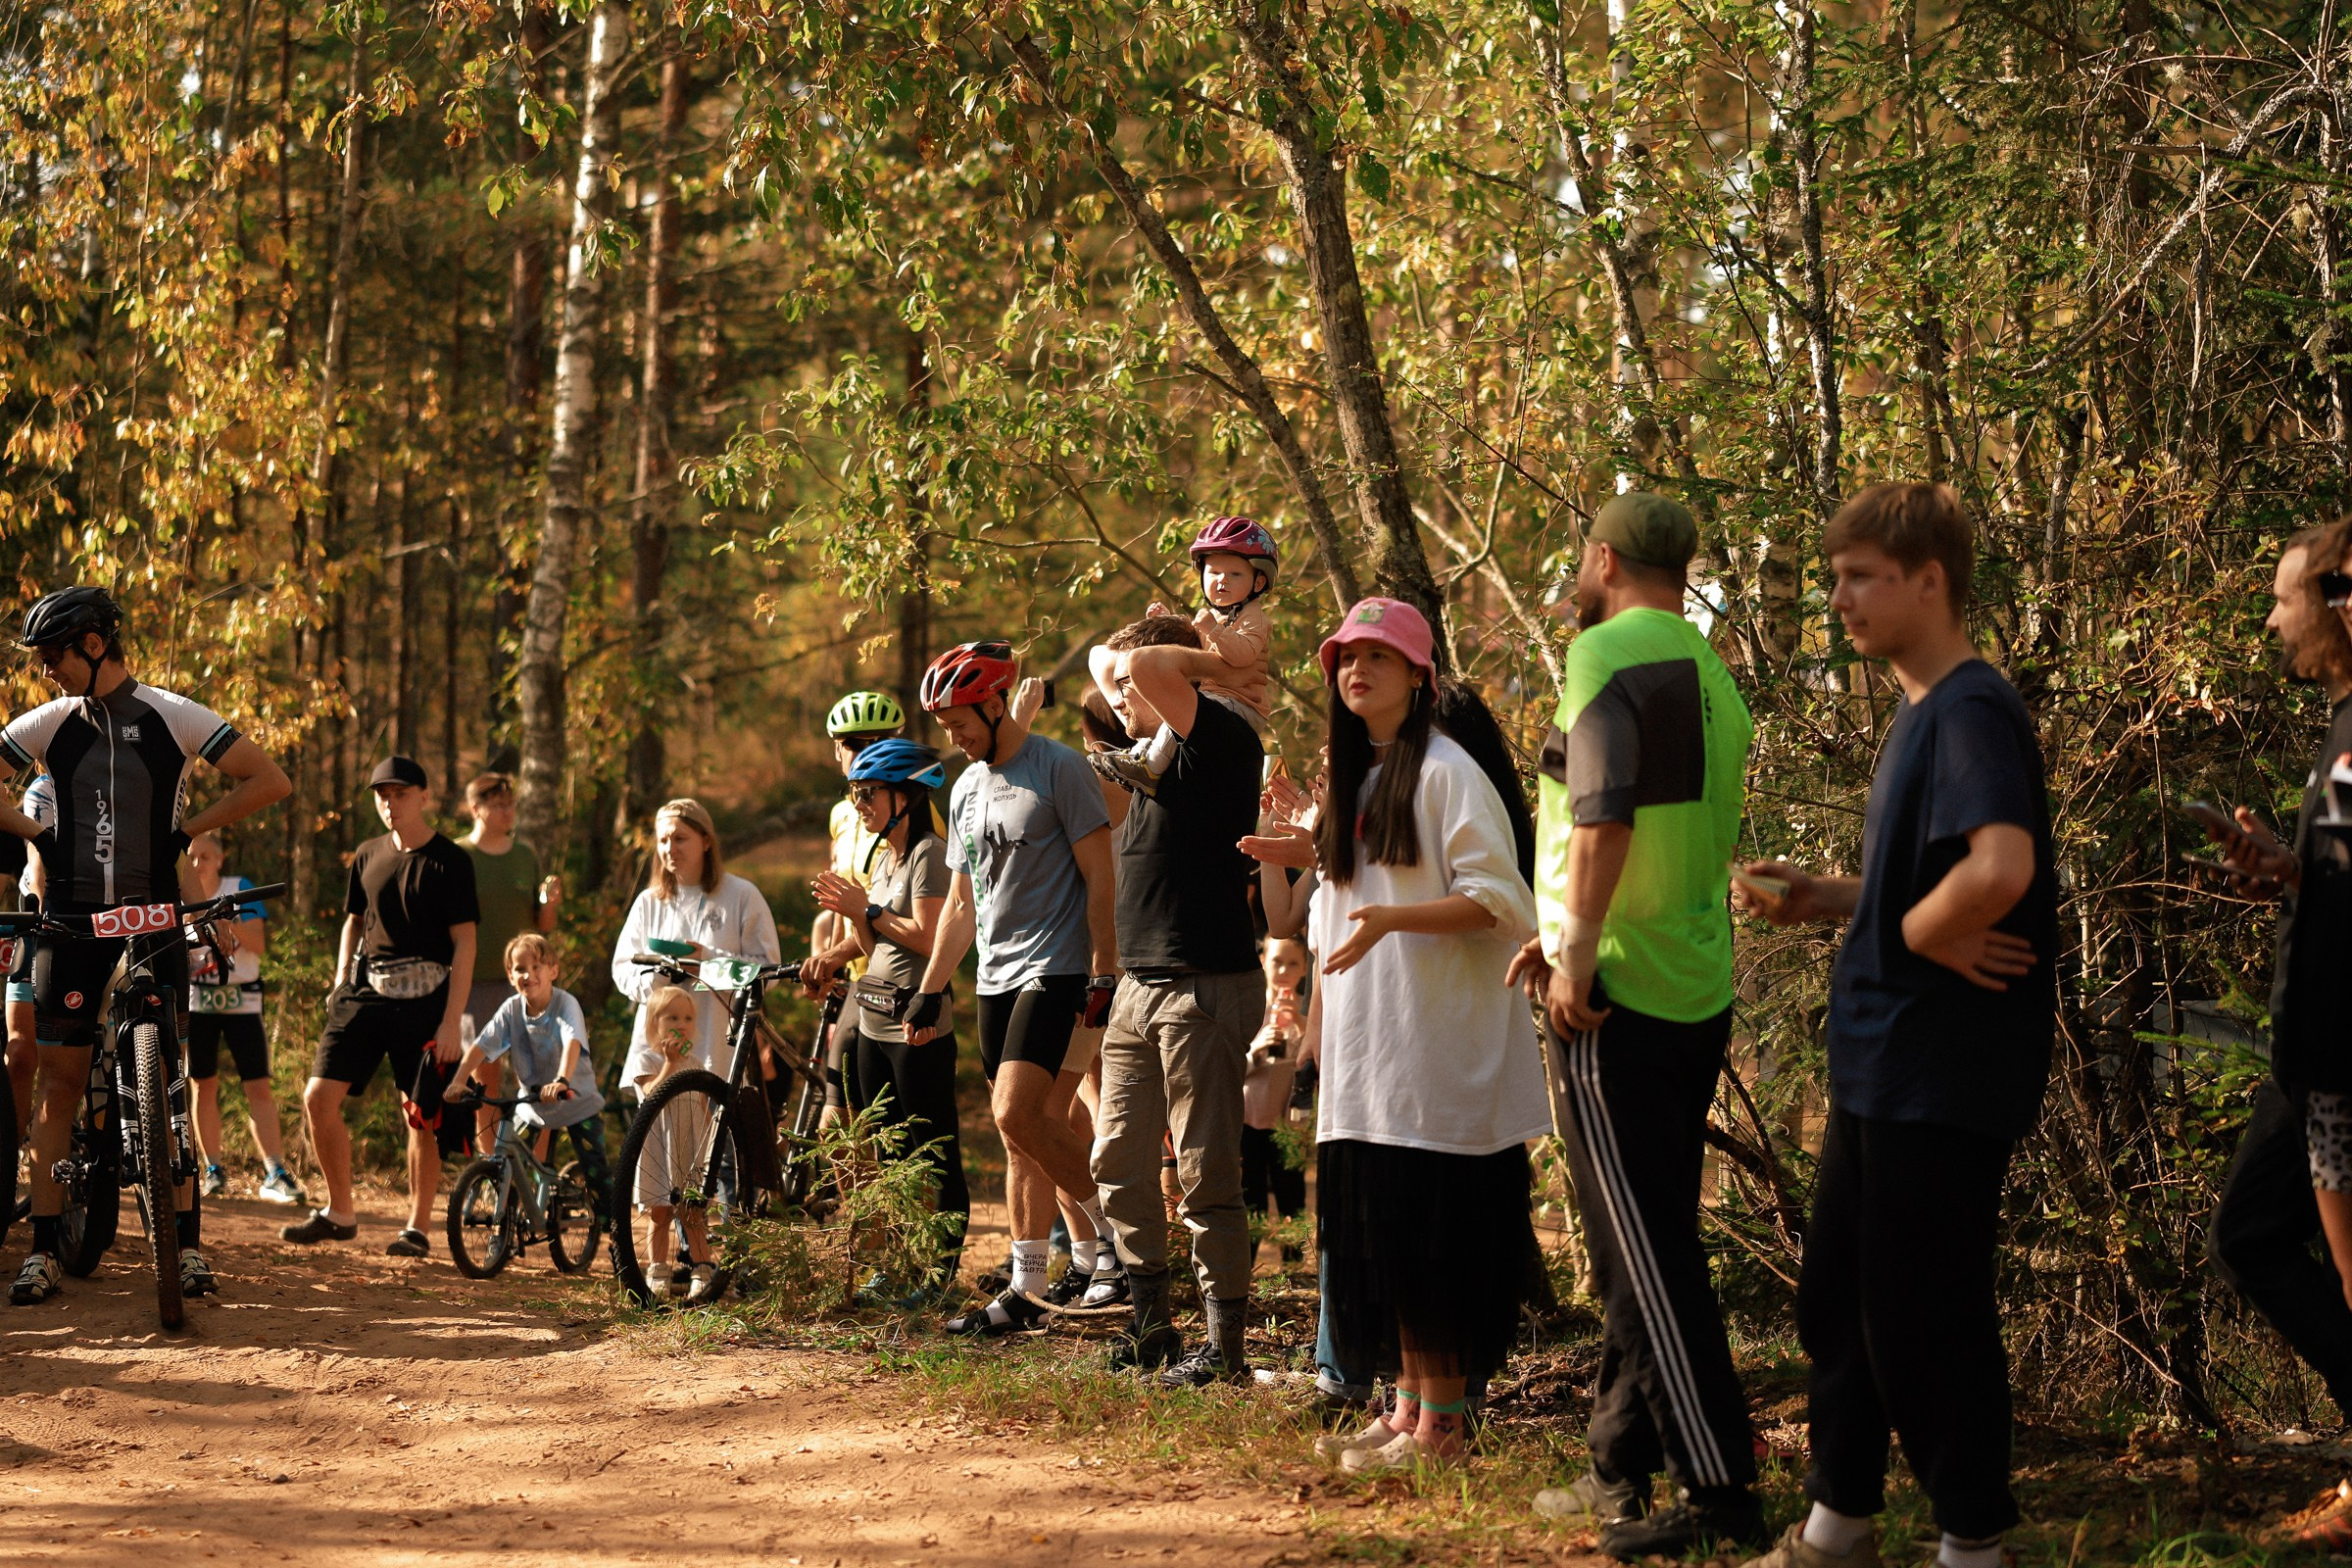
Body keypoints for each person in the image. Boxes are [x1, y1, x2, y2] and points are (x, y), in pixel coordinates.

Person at [1736, 482, 2057, 1568]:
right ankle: (1839, 1525)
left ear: (1932, 582)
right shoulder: (1921, 711)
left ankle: (1976, 1540)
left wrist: (1919, 931)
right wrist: (1828, 896)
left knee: (1924, 1311)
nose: (1840, 599)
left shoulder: (1969, 707)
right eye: (1835, 577)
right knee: (1841, 1293)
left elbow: (1999, 865)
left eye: (1862, 576)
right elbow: (1922, 879)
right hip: (1886, 1068)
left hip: (1943, 1069)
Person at [1497, 493, 1765, 1554]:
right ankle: (1619, 1460)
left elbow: (1603, 816)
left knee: (1643, 1249)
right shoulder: (1712, 672)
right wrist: (1559, 922)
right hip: (1693, 977)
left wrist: (1574, 950)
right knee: (1642, 1235)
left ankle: (1722, 1491)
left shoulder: (1605, 652)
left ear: (1601, 559)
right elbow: (1629, 823)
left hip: (1617, 987)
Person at [1267, 598, 1543, 1472]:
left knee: (1434, 1247)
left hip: (1436, 1061)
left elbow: (1504, 903)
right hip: (1369, 1067)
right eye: (1345, 656)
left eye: (1379, 657)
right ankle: (1411, 1411)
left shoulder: (1449, 771)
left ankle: (1444, 1431)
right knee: (1388, 1243)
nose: (1357, 669)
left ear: (1420, 677)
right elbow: (1337, 918)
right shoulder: (1366, 777)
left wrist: (1393, 921)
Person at [3, 586, 291, 1307]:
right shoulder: (49, 724)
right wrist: (37, 835)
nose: (48, 673)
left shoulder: (173, 714)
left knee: (168, 1080)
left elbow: (270, 778)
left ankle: (187, 1246)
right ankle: (42, 1251)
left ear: (94, 645)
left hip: (158, 914)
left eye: (54, 658)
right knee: (60, 1081)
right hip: (71, 920)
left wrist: (190, 830)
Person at [2194, 515, 2352, 1547]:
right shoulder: (2341, 730)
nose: (2271, 616)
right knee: (2262, 1237)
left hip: (2342, 1055)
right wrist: (2289, 871)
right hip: (2318, 1048)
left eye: (2284, 597)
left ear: (2339, 605)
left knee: (2267, 1237)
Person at [905, 640, 1124, 1333]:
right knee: (1022, 1137)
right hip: (994, 977)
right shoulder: (965, 790)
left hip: (1055, 967)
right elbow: (964, 907)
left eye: (961, 719)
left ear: (998, 704)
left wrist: (1105, 969)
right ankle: (1028, 1289)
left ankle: (1113, 1248)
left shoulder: (1058, 768)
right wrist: (932, 987)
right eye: (944, 724)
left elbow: (1100, 878)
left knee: (1013, 1113)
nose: (954, 734)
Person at [1090, 612, 1266, 1383]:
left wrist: (1218, 663)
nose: (1120, 693)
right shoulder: (1146, 758)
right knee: (1117, 1162)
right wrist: (1131, 667)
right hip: (1139, 983)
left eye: (1134, 684)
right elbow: (1107, 658)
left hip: (1206, 984)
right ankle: (1151, 1327)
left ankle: (1225, 1349)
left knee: (1204, 1174)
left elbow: (1156, 667)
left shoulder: (1220, 737)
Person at [281, 756, 478, 1257]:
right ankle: (341, 1212)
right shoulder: (367, 854)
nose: (390, 804)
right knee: (317, 1097)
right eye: (382, 795)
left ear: (424, 797)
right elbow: (354, 919)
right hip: (364, 993)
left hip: (428, 1000)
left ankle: (416, 1228)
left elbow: (466, 943)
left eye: (400, 794)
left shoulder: (450, 860)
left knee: (420, 1116)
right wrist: (340, 976)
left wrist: (452, 1020)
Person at [808, 739, 967, 1298]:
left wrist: (867, 909)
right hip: (874, 1017)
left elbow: (928, 937)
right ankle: (897, 1262)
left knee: (932, 1147)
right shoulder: (884, 854)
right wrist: (833, 953)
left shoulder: (928, 852)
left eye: (869, 792)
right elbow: (871, 937)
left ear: (906, 794)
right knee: (890, 1146)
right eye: (855, 792)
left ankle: (939, 1273)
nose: (860, 803)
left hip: (917, 1020)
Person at [1090, 516, 1279, 795]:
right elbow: (1190, 646)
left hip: (1242, 705)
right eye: (1214, 573)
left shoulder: (1255, 619)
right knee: (1177, 709)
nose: (1222, 581)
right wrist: (1165, 624)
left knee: (1191, 709)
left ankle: (1151, 767)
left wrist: (1213, 630)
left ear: (1259, 581)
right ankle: (1140, 754)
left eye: (1235, 574)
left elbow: (1243, 655)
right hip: (1217, 698)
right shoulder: (1216, 616)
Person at [611, 798, 782, 1087]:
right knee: (657, 1131)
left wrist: (709, 963)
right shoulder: (648, 901)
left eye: (680, 838)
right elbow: (622, 969)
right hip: (658, 1051)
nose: (670, 848)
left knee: (711, 1128)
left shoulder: (741, 895)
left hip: (718, 1044)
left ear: (705, 841)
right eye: (663, 840)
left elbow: (769, 971)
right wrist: (659, 976)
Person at [448, 932, 608, 1228]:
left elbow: (572, 1041)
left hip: (575, 1100)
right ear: (510, 975)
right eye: (520, 969)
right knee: (507, 1157)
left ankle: (615, 1234)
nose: (529, 975)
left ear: (553, 971)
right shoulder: (511, 1009)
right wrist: (459, 1080)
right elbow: (481, 1045)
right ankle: (506, 1227)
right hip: (533, 1103)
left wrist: (562, 1080)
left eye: (537, 968)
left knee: (596, 1171)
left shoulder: (565, 1004)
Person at [182, 831, 304, 1204]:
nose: (199, 863)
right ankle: (213, 1169)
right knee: (203, 1085)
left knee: (258, 1086)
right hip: (199, 1003)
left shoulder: (239, 888)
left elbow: (259, 943)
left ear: (220, 859)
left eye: (206, 856)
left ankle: (275, 1171)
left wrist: (219, 920)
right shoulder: (179, 901)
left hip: (242, 1002)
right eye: (193, 857)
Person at [457, 773, 561, 1050]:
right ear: (475, 809)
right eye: (498, 805)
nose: (507, 812)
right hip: (475, 981)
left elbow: (543, 925)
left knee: (536, 1060)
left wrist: (550, 904)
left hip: (527, 980)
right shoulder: (458, 857)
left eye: (510, 804)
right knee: (481, 1064)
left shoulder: (524, 856)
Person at [630, 983, 715, 1300]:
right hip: (658, 1150)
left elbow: (705, 1109)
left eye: (688, 1019)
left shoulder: (696, 1065)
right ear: (654, 1025)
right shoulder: (647, 1061)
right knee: (660, 1214)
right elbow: (651, 1094)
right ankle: (658, 1272)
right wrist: (669, 1062)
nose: (681, 1025)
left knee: (693, 1213)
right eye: (672, 1019)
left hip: (689, 1150)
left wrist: (710, 1150)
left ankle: (703, 1271)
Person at [1240, 937, 1308, 1250]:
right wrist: (1256, 1050)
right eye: (1278, 960)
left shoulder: (1308, 1018)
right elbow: (1227, 1071)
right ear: (1263, 959)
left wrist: (1297, 1023)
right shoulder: (1249, 1011)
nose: (1284, 970)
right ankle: (1246, 1271)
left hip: (1288, 1126)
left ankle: (1296, 1270)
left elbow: (1315, 1067)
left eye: (1293, 963)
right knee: (1250, 1197)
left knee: (1291, 1196)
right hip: (1247, 1120)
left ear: (1305, 968)